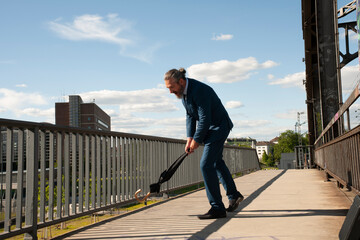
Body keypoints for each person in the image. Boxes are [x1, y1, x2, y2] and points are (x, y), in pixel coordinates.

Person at [164, 68, 244, 219]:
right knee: (216, 162)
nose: (170, 92)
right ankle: (234, 195)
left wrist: (197, 140)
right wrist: (189, 139)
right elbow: (190, 116)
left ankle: (217, 208)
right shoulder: (184, 93)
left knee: (205, 164)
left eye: (171, 87)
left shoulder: (199, 90)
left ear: (181, 81)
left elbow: (205, 118)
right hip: (211, 129)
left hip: (219, 127)